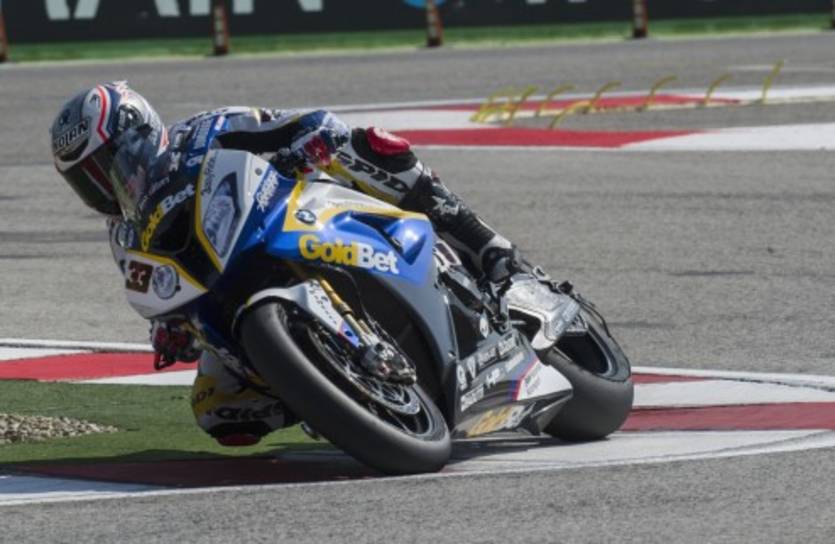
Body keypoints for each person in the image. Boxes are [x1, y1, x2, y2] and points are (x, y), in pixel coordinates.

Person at [50, 81, 552, 446]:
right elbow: (160, 288)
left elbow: (295, 122)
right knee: (217, 409)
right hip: (232, 290)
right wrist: (168, 331)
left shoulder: (205, 132)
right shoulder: (124, 234)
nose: (103, 184)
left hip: (297, 217)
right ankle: (333, 395)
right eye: (86, 180)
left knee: (370, 148)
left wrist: (311, 136)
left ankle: (484, 243)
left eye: (105, 165)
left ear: (139, 133)